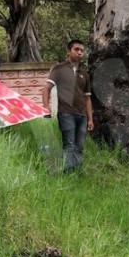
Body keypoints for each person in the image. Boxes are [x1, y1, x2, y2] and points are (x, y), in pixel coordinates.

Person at [43, 39, 93, 173]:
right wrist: (46, 106)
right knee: (69, 144)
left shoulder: (84, 73)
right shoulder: (59, 68)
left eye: (82, 50)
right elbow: (47, 88)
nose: (80, 52)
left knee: (80, 146)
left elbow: (87, 98)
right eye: (76, 49)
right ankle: (67, 173)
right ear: (68, 52)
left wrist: (90, 119)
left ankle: (77, 173)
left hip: (82, 115)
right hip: (66, 113)